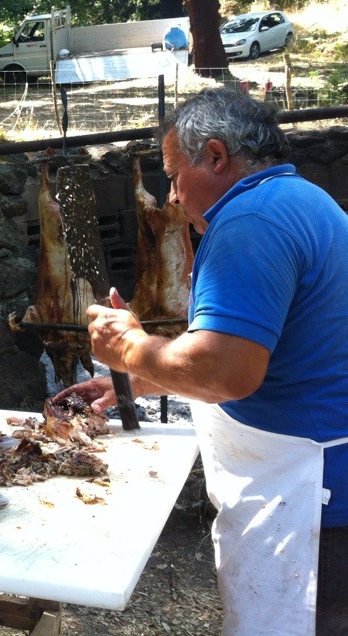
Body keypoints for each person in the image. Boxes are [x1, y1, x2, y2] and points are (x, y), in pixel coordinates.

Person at [57, 87, 348, 636]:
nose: (170, 196)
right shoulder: (303, 200)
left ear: (216, 156)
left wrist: (129, 347)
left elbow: (225, 371)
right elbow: (281, 355)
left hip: (312, 504)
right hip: (309, 491)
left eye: (173, 176)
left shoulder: (249, 221)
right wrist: (139, 381)